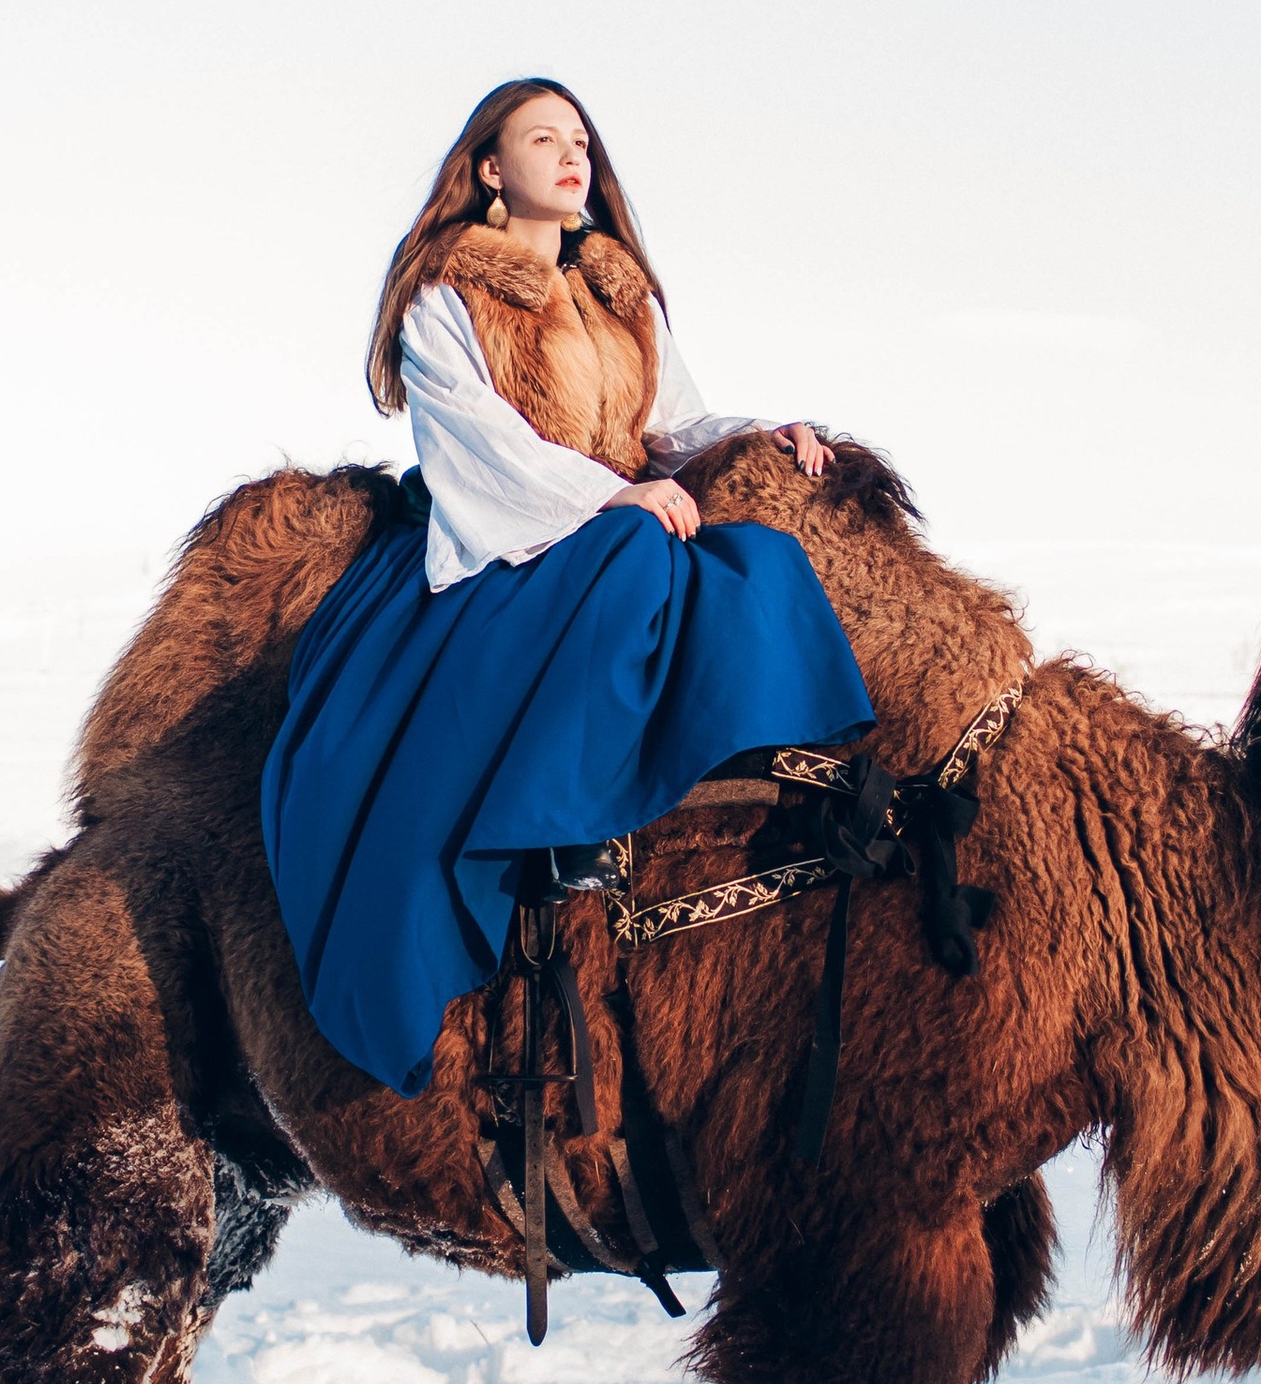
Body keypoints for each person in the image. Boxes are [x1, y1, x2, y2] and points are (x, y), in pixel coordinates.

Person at [261, 80, 872, 1093]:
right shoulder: (445, 297)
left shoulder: (617, 293)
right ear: (492, 169)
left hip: (614, 524)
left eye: (579, 139)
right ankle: (557, 833)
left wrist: (760, 436)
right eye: (542, 139)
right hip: (505, 548)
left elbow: (678, 422)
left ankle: (769, 783)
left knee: (763, 556)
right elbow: (480, 450)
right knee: (638, 559)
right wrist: (613, 498)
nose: (571, 153)